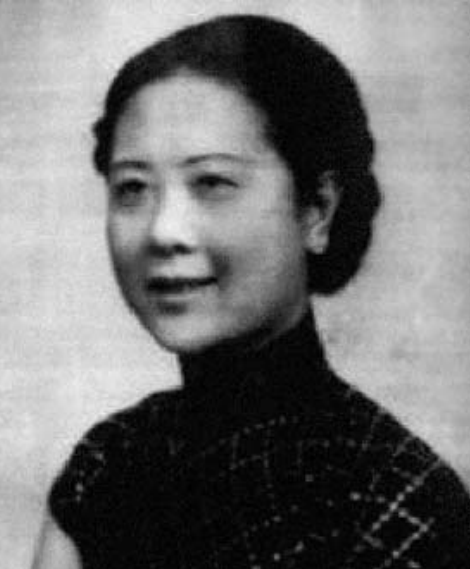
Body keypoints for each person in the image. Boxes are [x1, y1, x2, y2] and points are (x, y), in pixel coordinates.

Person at [32, 14, 470, 569]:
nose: (163, 230)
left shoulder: (391, 500)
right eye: (133, 188)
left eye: (212, 182)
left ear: (317, 209)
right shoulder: (108, 468)